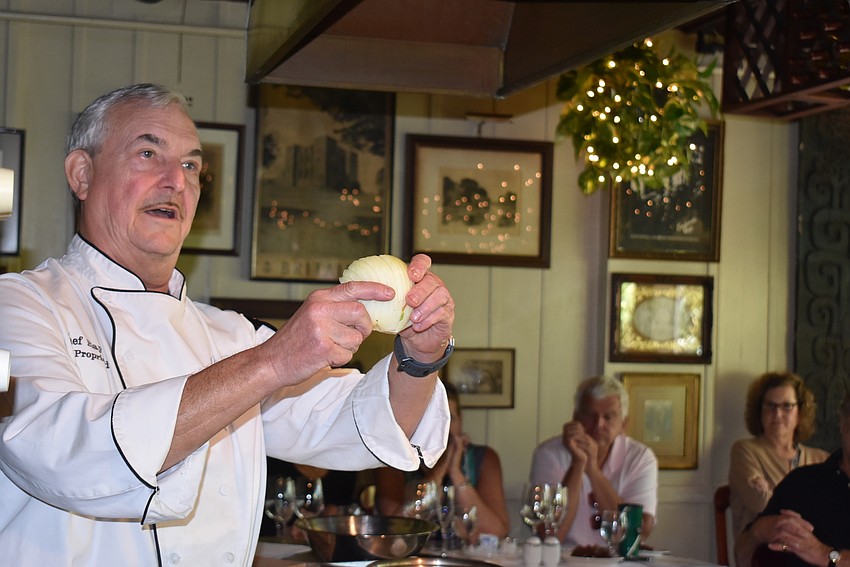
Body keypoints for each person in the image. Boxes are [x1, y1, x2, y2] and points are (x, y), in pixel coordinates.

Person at [0, 83, 455, 566]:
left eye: (192, 165)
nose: (176, 180)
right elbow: (57, 450)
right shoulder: (20, 305)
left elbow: (359, 423)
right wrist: (273, 361)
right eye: (149, 152)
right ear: (82, 174)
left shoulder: (229, 334)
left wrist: (420, 356)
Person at [529, 375, 658, 547]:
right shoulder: (549, 454)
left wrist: (593, 472)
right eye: (590, 415)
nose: (598, 424)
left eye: (609, 416)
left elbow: (637, 533)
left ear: (623, 424)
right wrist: (578, 463)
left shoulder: (640, 458)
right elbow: (551, 535)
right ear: (575, 417)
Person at [374, 381, 511, 538]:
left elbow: (497, 531)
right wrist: (439, 471)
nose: (443, 427)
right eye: (434, 418)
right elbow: (397, 525)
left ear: (460, 420)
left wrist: (456, 473)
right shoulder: (392, 460)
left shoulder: (484, 458)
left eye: (449, 418)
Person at [734, 392, 850, 567]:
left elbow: (824, 555)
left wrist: (825, 555)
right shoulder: (801, 482)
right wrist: (758, 532)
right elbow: (741, 556)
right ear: (842, 421)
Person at [728, 371, 828, 537]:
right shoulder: (744, 451)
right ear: (759, 410)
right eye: (770, 405)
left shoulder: (821, 459)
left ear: (800, 412)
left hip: (814, 553)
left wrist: (770, 490)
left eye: (787, 406)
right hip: (762, 552)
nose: (777, 414)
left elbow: (832, 513)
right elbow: (761, 504)